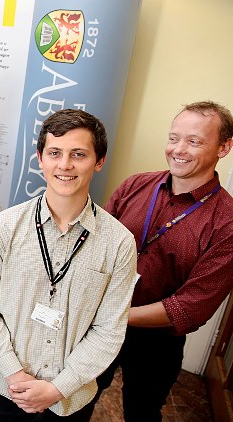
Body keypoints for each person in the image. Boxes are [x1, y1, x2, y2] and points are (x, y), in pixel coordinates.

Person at [0, 109, 138, 421]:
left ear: (99, 161)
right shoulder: (4, 227)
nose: (65, 165)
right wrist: (16, 375)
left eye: (79, 154)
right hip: (2, 386)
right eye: (55, 153)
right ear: (40, 158)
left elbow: (109, 331)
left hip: (70, 398)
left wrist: (58, 387)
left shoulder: (119, 243)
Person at [91, 101, 233, 421]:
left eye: (194, 141)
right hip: (98, 322)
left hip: (156, 342)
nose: (178, 150)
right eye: (173, 138)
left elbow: (191, 306)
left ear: (224, 147)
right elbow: (94, 247)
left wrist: (116, 314)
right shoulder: (135, 185)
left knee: (141, 412)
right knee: (74, 399)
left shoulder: (227, 224)